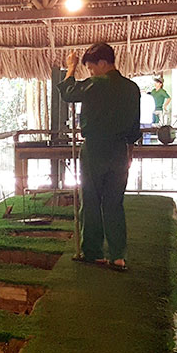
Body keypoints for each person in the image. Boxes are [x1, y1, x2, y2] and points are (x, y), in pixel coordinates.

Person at [57, 43, 140, 271]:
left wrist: (71, 68)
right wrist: (129, 153)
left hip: (95, 149)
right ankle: (118, 256)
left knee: (91, 200)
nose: (92, 73)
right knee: (115, 203)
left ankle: (92, 252)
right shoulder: (132, 88)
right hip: (120, 151)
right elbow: (134, 128)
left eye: (92, 68)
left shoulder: (96, 84)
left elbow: (67, 92)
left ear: (103, 63)